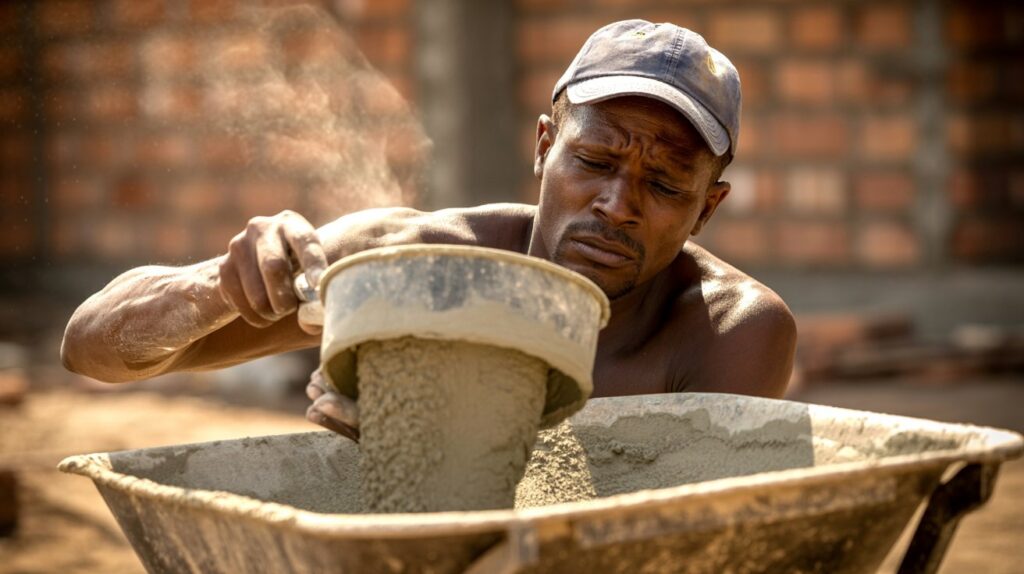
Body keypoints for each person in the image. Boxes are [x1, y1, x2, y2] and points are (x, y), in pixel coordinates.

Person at [61, 20, 796, 441]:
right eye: (595, 159)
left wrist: (439, 446)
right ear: (544, 145)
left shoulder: (728, 331)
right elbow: (92, 349)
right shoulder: (422, 266)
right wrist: (217, 288)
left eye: (665, 185)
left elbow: (673, 539)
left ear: (708, 209)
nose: (617, 203)